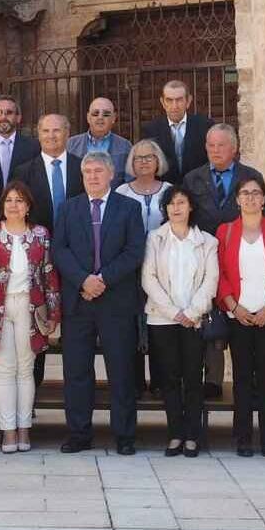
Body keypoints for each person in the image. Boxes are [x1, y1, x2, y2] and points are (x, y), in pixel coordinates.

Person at [53, 153, 146, 454]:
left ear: (111, 174)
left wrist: (102, 279)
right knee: (77, 372)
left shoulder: (129, 208)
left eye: (98, 171)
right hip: (79, 302)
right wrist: (84, 280)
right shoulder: (69, 209)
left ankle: (124, 435)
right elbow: (60, 250)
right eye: (87, 172)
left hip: (115, 301)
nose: (92, 176)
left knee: (120, 370)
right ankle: (79, 434)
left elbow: (134, 252)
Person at [0, 181, 60, 453]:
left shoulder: (40, 235)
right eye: (9, 200)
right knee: (3, 370)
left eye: (19, 200)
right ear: (2, 205)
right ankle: (7, 431)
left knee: (26, 370)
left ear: (28, 207)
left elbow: (49, 275)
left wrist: (54, 314)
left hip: (30, 309)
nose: (13, 205)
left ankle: (24, 429)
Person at [183, 123, 265, 399]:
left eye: (221, 145)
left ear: (234, 148)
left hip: (244, 256)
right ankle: (213, 380)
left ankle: (253, 378)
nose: (215, 150)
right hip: (204, 258)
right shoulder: (193, 178)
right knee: (210, 315)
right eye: (210, 145)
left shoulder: (251, 176)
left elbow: (262, 216)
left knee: (245, 312)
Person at [215, 175, 265, 457]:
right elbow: (220, 275)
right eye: (245, 193)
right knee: (241, 377)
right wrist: (234, 308)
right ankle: (244, 437)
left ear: (263, 199)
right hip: (239, 316)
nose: (250, 198)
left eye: (256, 193)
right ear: (237, 199)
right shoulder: (224, 231)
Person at [141, 185, 219, 458]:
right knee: (169, 379)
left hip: (194, 320)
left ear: (191, 207)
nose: (176, 208)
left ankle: (193, 436)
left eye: (181, 202)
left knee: (193, 379)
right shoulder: (155, 238)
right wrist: (174, 312)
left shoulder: (207, 241)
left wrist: (192, 312)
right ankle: (175, 434)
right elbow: (148, 278)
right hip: (162, 319)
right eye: (171, 203)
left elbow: (211, 281)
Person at [115, 138, 173, 397]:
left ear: (158, 161)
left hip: (164, 270)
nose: (144, 162)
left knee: (160, 323)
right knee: (132, 323)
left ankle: (161, 381)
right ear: (131, 163)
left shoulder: (171, 191)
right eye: (138, 158)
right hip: (131, 270)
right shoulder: (121, 193)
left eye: (149, 157)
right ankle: (136, 381)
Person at [9, 114, 84, 231]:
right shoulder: (23, 172)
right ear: (39, 135)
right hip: (37, 241)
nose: (51, 135)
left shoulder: (83, 168)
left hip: (77, 240)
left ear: (67, 133)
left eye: (56, 130)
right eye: (45, 131)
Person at [140, 80, 213, 185]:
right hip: (165, 191)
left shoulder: (204, 126)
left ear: (188, 101)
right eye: (169, 100)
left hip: (198, 190)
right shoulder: (151, 130)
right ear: (163, 102)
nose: (174, 106)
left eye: (179, 100)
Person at [0, 94, 41, 202]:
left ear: (18, 118)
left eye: (9, 113)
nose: (4, 117)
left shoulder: (34, 147)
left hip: (23, 211)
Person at [67, 97, 132, 186]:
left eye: (106, 114)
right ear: (88, 118)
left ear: (113, 118)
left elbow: (130, 182)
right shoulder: (71, 144)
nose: (100, 117)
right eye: (95, 114)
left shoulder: (125, 146)